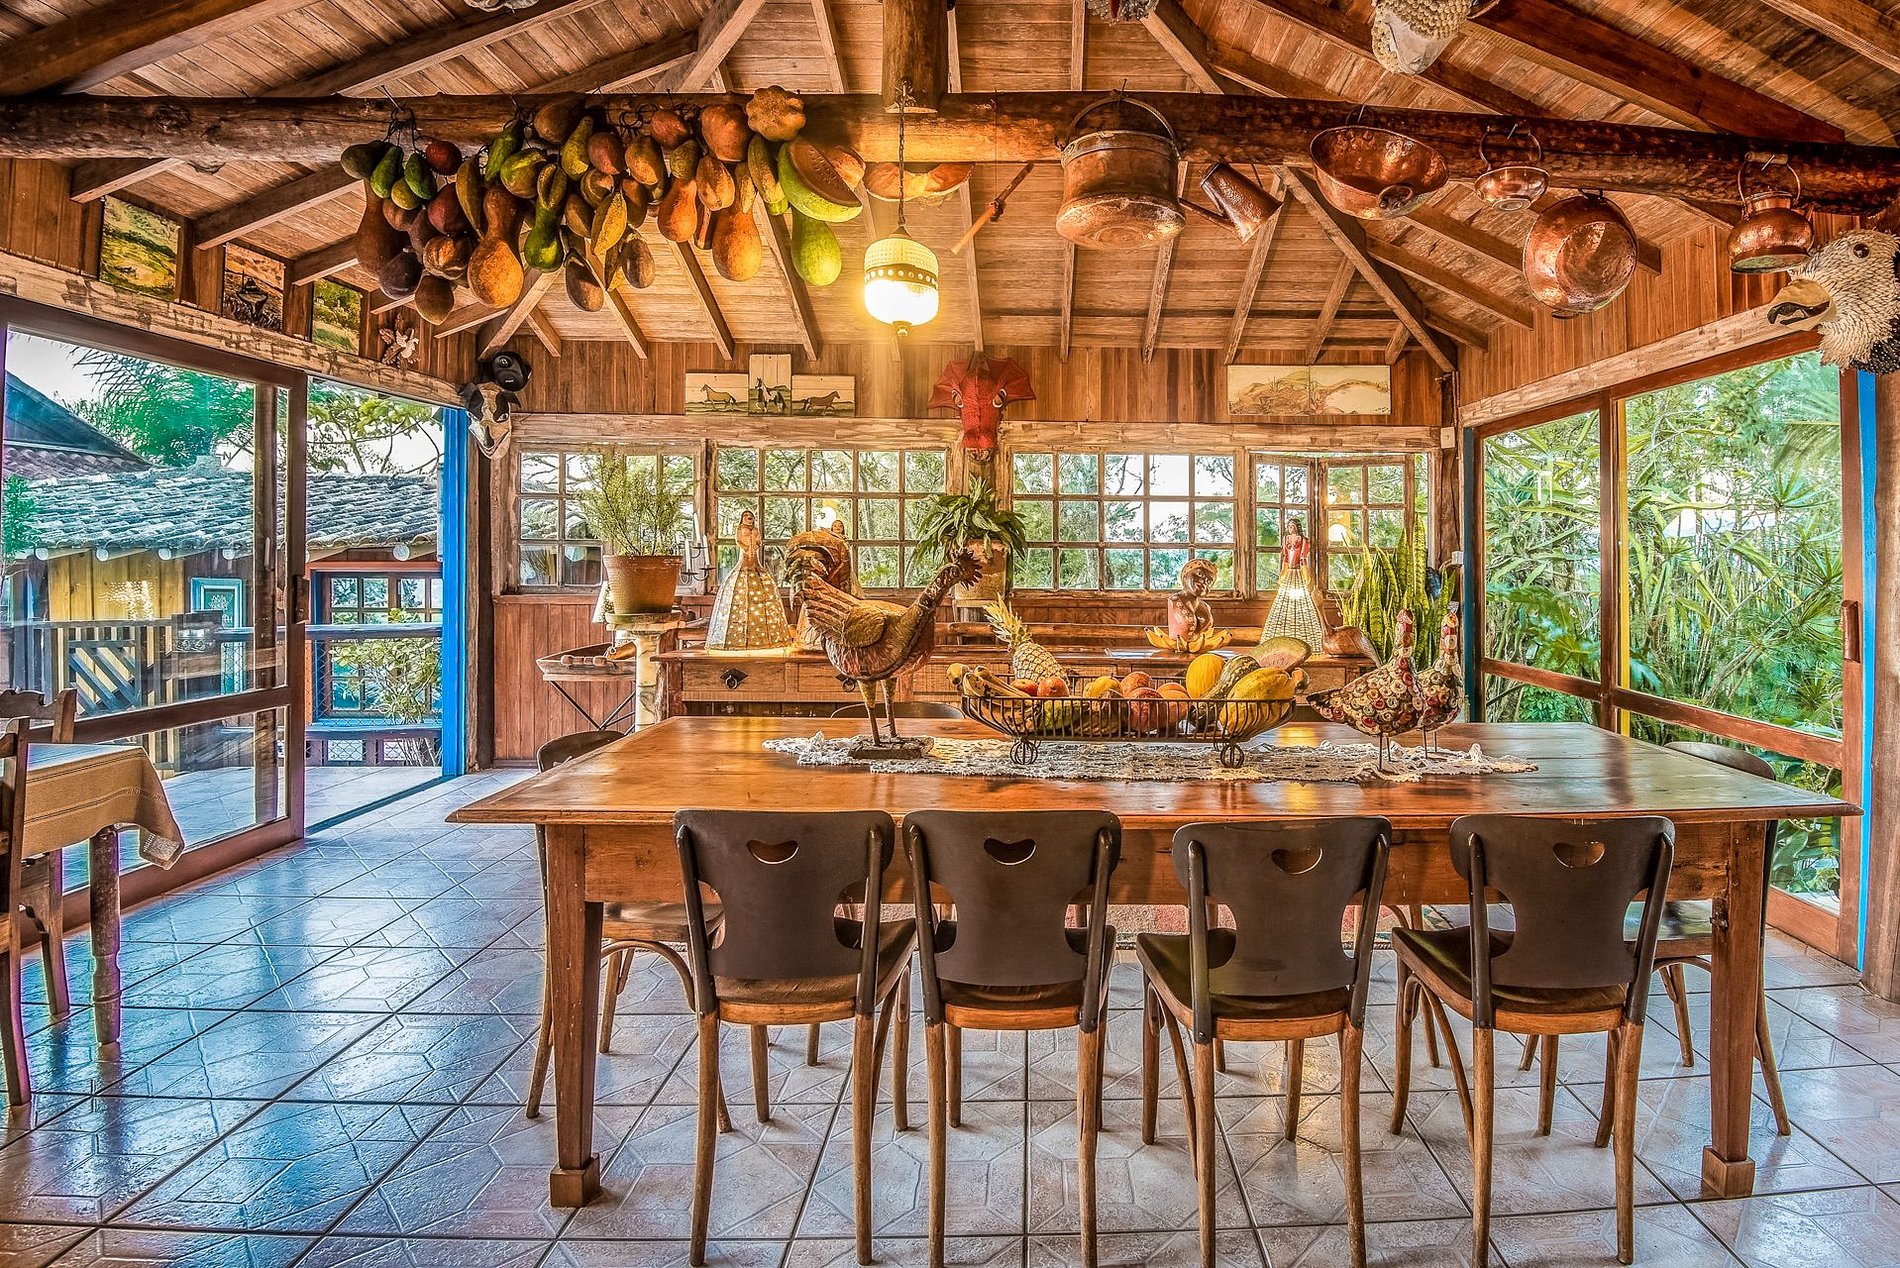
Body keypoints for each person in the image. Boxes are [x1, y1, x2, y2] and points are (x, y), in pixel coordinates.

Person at [707, 510, 795, 650]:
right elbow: (739, 541)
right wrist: (746, 547)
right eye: (747, 517)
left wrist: (756, 545)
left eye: (751, 517)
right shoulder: (740, 529)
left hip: (754, 557)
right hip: (744, 557)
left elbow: (759, 541)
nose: (750, 519)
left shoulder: (755, 530)